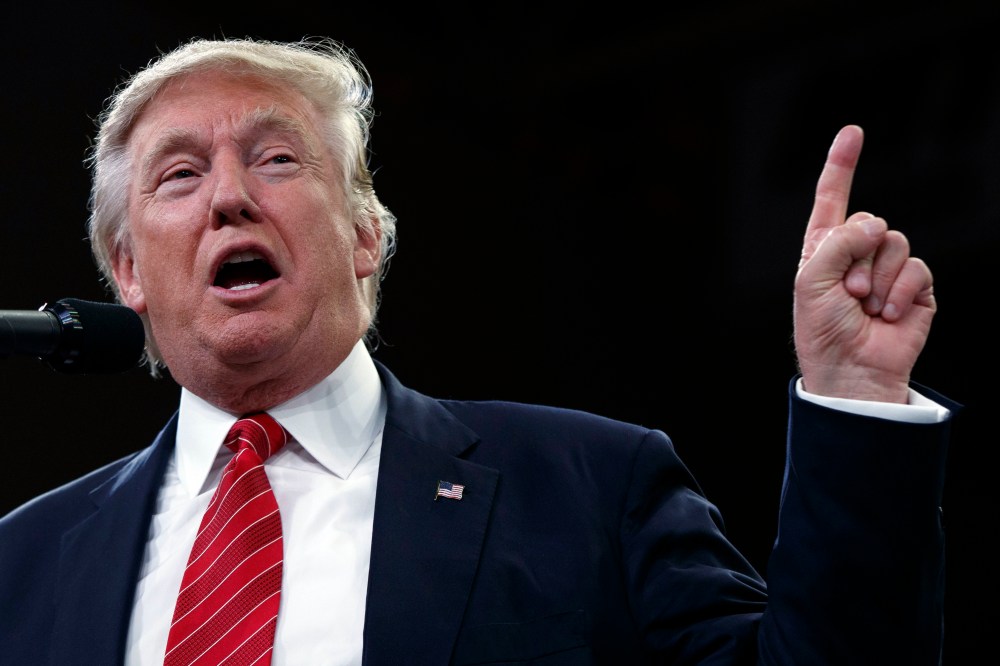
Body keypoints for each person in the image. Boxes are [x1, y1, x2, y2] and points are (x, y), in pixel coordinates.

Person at [0, 35, 958, 665]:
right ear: (126, 270)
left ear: (367, 234)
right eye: (179, 175)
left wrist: (855, 398)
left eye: (278, 158)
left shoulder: (590, 487)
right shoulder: (25, 560)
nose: (228, 198)